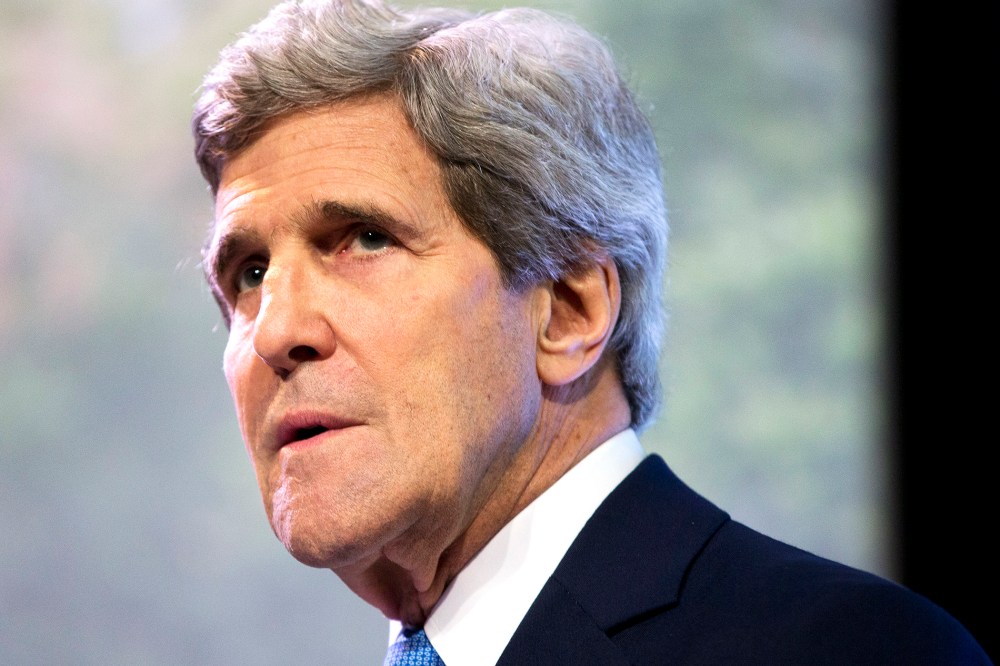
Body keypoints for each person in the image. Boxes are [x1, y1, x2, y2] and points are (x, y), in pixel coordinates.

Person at [192, 1, 990, 663]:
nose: (275, 331)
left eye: (365, 238)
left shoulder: (848, 650)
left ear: (570, 311)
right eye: (249, 273)